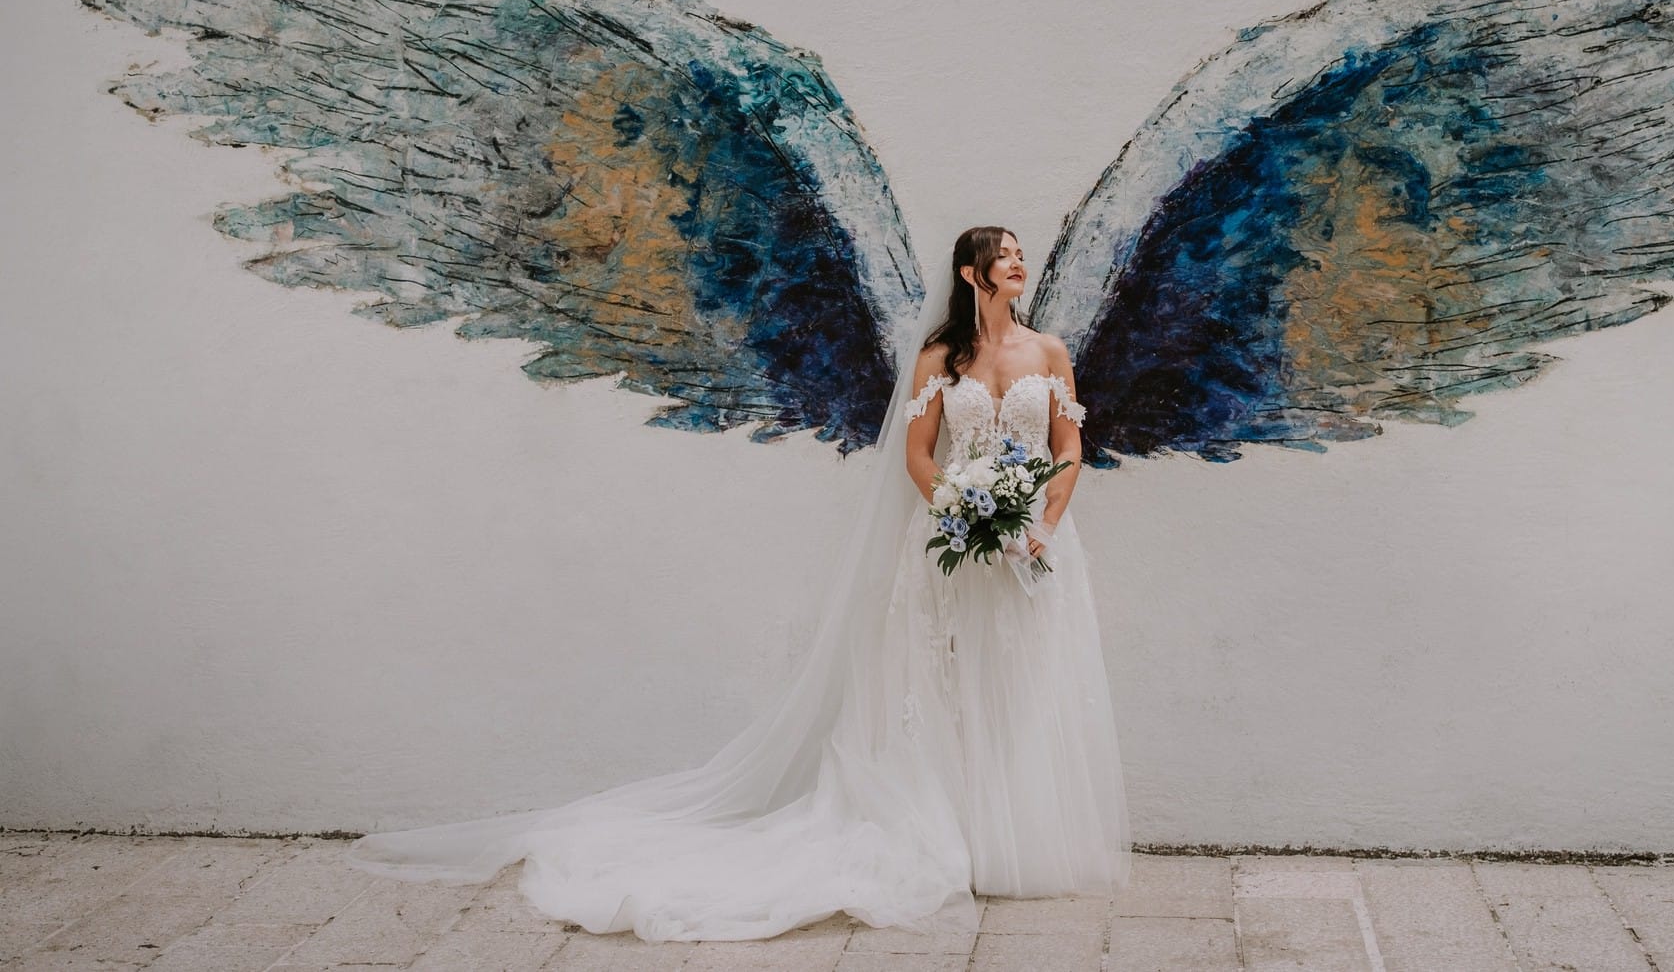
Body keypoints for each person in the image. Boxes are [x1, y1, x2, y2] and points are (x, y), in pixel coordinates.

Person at [345, 224, 1132, 942]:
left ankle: (1014, 839)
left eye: (1021, 253)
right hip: (953, 548)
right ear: (971, 271)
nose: (1019, 262)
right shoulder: (939, 359)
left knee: (1022, 684)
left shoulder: (1048, 352)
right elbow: (920, 455)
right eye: (1006, 253)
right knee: (950, 684)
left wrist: (1039, 525)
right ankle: (953, 834)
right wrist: (962, 512)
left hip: (1031, 549)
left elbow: (1068, 445)